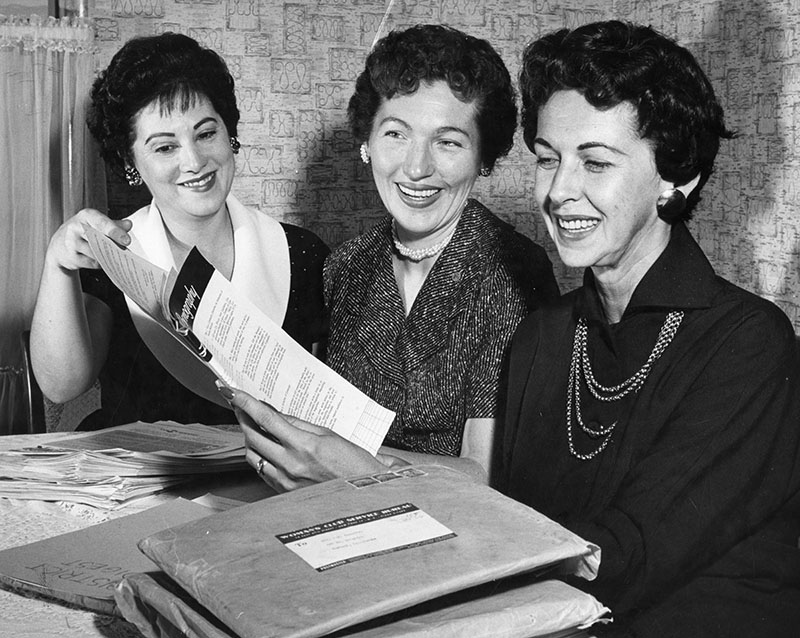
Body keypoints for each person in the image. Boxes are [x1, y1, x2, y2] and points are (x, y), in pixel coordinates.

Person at [497, 20, 800, 637]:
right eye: (548, 159)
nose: (559, 191)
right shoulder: (540, 337)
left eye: (595, 162)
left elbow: (626, 553)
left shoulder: (748, 343)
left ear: (674, 178)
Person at [225, 24, 559, 488]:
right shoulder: (345, 266)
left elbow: (485, 476)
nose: (416, 167)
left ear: (483, 156)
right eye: (396, 134)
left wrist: (348, 468)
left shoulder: (512, 271)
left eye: (448, 141)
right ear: (367, 142)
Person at [30, 33, 328, 430]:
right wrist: (57, 262)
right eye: (165, 147)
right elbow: (62, 385)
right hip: (138, 467)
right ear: (130, 161)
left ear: (229, 133)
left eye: (206, 134)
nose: (194, 161)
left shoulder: (302, 254)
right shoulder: (113, 254)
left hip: (264, 469)